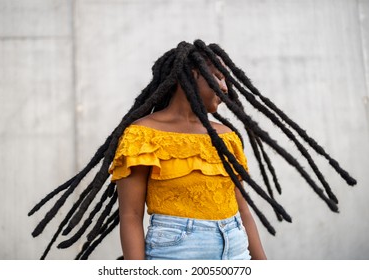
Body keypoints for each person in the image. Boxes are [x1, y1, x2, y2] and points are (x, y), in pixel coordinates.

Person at [28, 40, 356, 260]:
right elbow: (129, 216)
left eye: (228, 81)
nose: (226, 88)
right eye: (218, 78)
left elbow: (242, 210)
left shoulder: (227, 137)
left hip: (236, 247)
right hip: (177, 253)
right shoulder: (143, 135)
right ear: (194, 74)